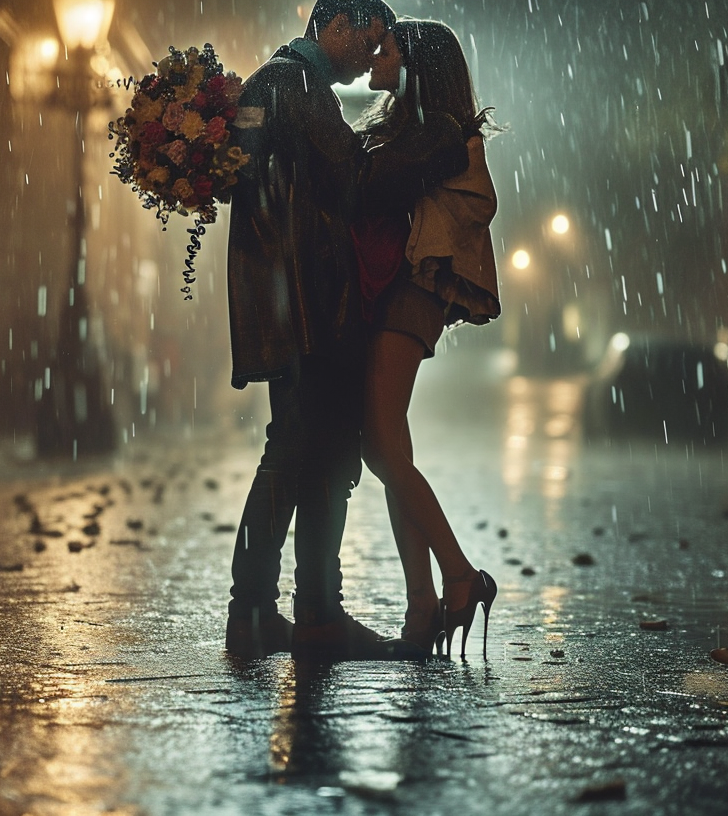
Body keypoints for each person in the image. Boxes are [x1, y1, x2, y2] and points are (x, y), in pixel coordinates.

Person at [222, 0, 464, 661]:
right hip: (305, 301)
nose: (371, 55)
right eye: (371, 38)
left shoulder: (285, 83)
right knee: (298, 449)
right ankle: (261, 610)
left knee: (322, 454)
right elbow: (354, 181)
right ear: (337, 23)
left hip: (302, 298)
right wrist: (432, 145)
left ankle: (309, 612)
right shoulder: (294, 83)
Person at [352, 19, 501, 657]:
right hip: (398, 290)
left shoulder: (439, 137)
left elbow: (387, 193)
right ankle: (421, 605)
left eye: (385, 48)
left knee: (381, 444)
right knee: (388, 445)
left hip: (411, 291)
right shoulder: (409, 128)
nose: (373, 55)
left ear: (416, 63)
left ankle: (460, 575)